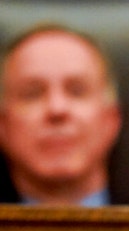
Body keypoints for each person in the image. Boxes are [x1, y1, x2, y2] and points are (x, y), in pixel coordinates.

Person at [0, 24, 122, 206]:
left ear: (110, 120)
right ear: (3, 124)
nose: (57, 109)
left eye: (77, 91)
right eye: (32, 94)